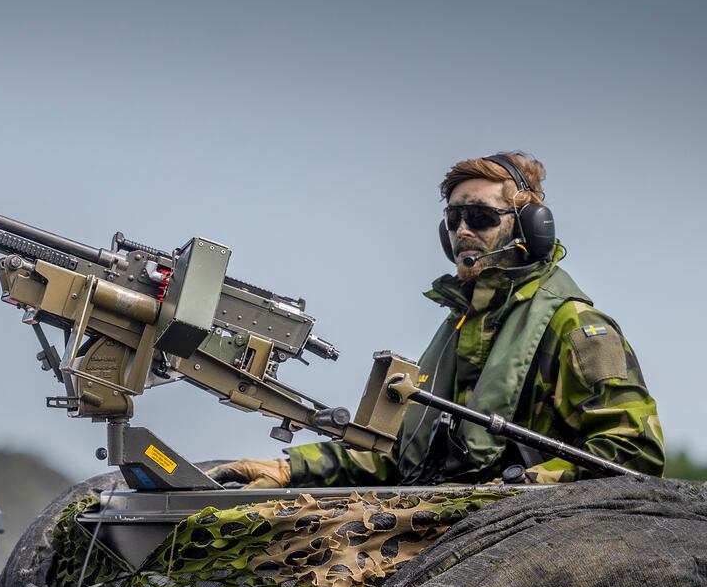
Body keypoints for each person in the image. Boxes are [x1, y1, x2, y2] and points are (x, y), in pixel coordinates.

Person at [211, 152, 664, 487]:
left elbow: (633, 456)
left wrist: (522, 488)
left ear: (530, 228)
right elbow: (403, 463)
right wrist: (290, 468)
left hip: (526, 540)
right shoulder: (460, 327)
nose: (463, 230)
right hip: (445, 528)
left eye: (482, 217)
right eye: (454, 217)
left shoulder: (578, 329)